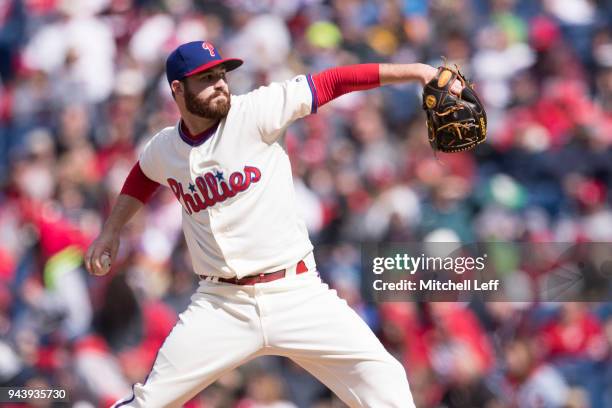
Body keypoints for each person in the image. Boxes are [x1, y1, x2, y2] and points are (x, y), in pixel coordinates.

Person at [85, 40, 460, 407]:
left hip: (295, 292)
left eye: (221, 74)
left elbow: (332, 82)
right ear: (177, 89)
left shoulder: (255, 111)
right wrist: (111, 230)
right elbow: (143, 176)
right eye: (206, 77)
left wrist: (417, 72)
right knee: (150, 401)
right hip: (221, 304)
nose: (219, 83)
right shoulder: (164, 148)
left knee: (383, 380)